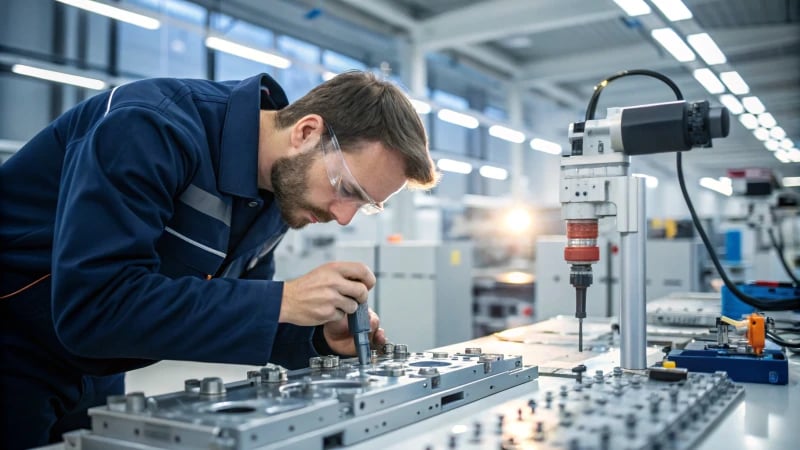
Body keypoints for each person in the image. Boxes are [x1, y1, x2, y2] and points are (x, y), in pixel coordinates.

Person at [0, 70, 438, 449]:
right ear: (306, 132)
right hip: (15, 345)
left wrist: (316, 337)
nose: (342, 218)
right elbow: (93, 308)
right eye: (347, 189)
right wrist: (282, 300)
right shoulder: (151, 126)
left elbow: (223, 308)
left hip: (95, 363)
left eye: (364, 206)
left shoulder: (278, 190)